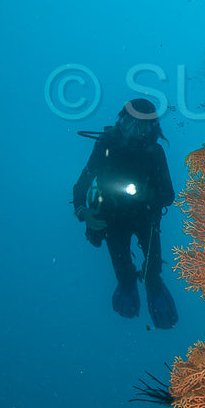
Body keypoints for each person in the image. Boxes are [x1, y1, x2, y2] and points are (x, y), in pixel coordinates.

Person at [73, 98, 178, 329]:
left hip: (145, 218)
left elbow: (169, 195)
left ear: (151, 129)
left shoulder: (155, 153)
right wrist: (84, 214)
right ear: (120, 121)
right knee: (123, 273)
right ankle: (127, 286)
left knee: (153, 273)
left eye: (142, 126)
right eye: (129, 122)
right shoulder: (104, 146)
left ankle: (153, 287)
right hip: (111, 219)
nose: (134, 131)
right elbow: (80, 187)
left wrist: (145, 194)